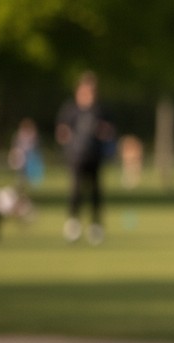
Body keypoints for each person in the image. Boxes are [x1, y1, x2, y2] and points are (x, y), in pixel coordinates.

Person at [56, 71, 114, 245]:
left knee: (96, 191)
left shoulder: (99, 110)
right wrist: (67, 138)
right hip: (76, 156)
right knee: (76, 190)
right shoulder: (70, 109)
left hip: (94, 156)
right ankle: (73, 223)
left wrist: (103, 132)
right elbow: (61, 131)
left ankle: (96, 226)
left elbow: (109, 131)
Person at [8, 118, 44, 190]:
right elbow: (15, 145)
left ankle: (29, 183)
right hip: (21, 155)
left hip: (31, 156)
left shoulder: (34, 135)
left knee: (30, 171)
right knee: (21, 172)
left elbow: (36, 145)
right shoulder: (18, 135)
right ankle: (22, 184)